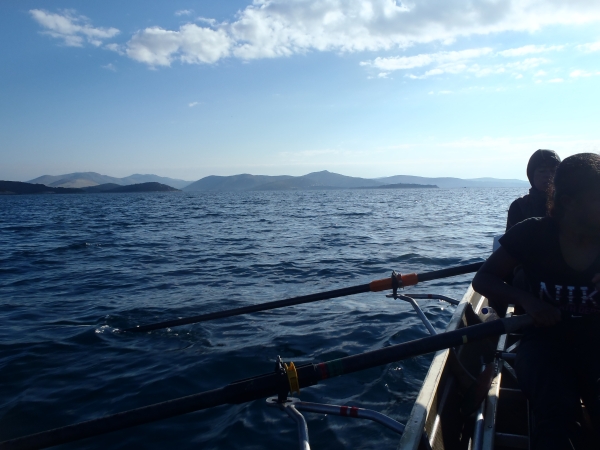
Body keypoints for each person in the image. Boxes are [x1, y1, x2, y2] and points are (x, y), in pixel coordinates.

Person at [473, 153, 600, 449]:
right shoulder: (533, 232)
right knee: (556, 415)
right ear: (569, 201)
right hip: (545, 343)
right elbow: (483, 279)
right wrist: (527, 300)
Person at [506, 149, 561, 231]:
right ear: (531, 175)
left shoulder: (567, 203)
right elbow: (511, 241)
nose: (549, 175)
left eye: (553, 171)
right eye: (542, 171)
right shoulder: (519, 206)